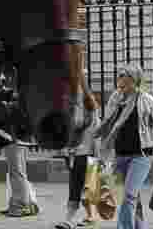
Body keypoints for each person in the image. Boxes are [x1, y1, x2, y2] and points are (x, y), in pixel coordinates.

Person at [95, 64, 153, 229]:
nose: (119, 79)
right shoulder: (115, 98)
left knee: (129, 196)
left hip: (140, 156)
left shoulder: (146, 100)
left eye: (124, 75)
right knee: (133, 197)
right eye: (118, 76)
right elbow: (107, 124)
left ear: (134, 80)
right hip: (120, 155)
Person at [57, 65, 102, 229]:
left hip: (88, 153)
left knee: (87, 190)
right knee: (76, 188)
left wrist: (80, 76)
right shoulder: (70, 103)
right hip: (75, 152)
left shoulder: (90, 104)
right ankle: (71, 219)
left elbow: (95, 126)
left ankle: (85, 216)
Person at [0, 69, 39, 218]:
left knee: (17, 173)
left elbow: (2, 121)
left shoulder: (12, 102)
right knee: (18, 172)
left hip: (14, 139)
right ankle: (27, 203)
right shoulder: (16, 99)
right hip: (16, 139)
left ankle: (21, 205)